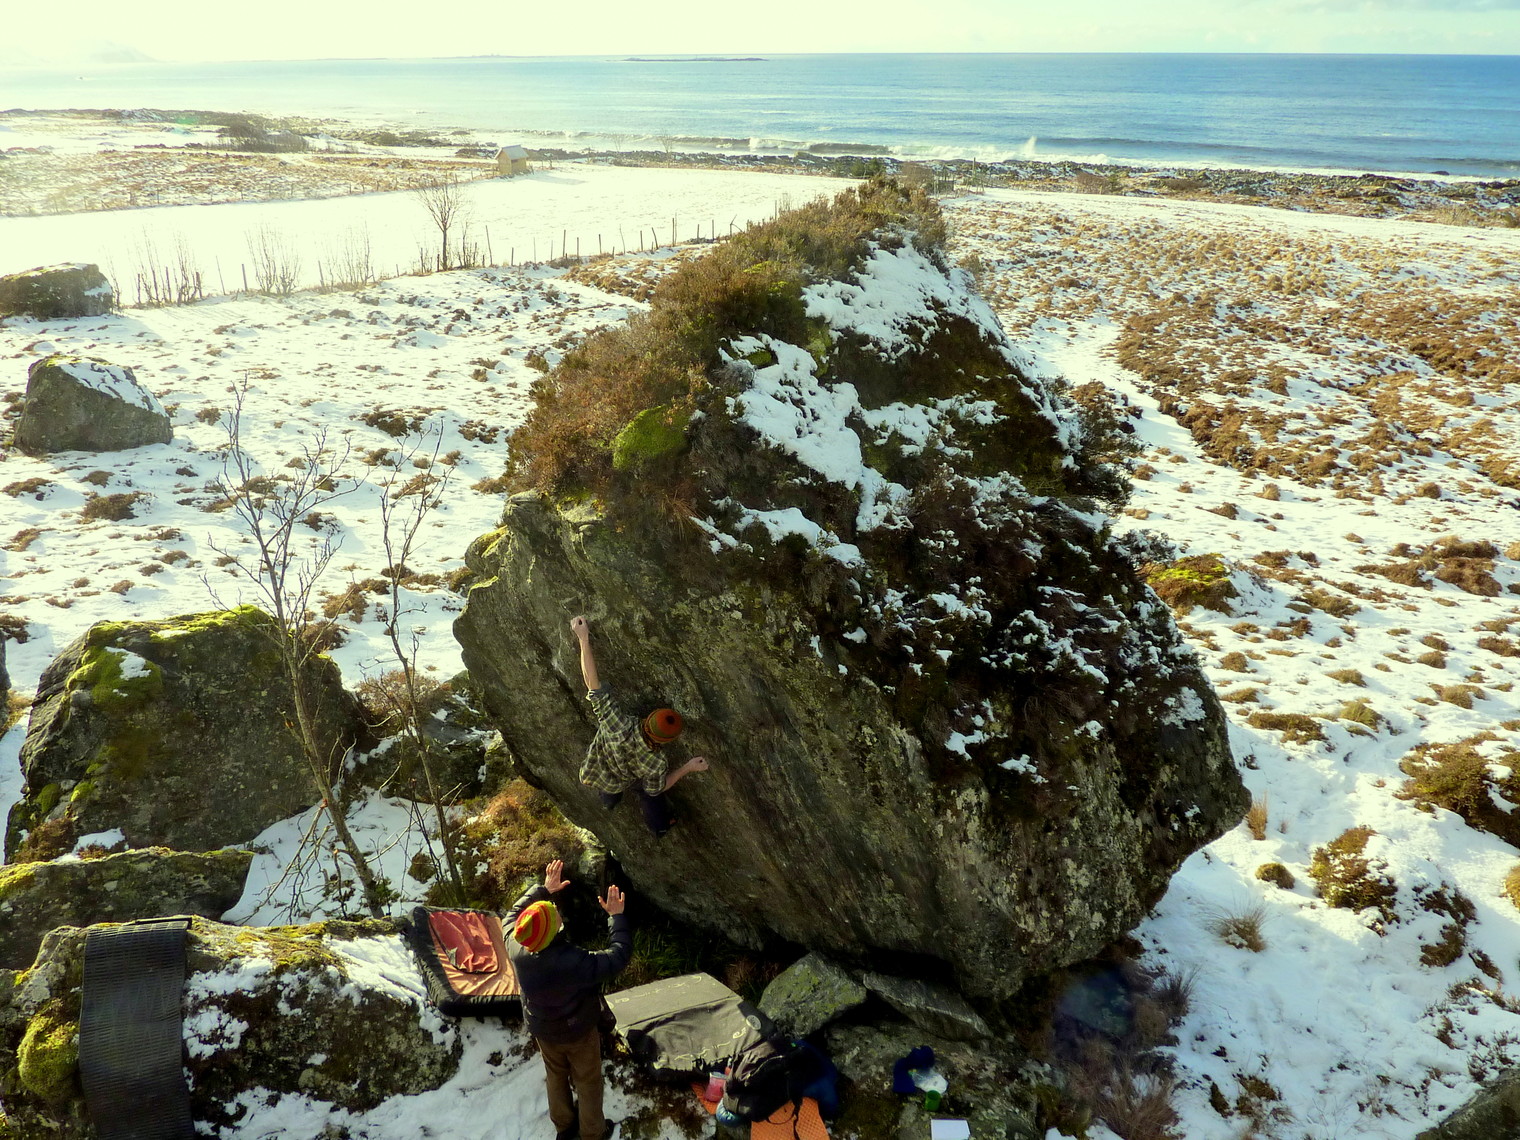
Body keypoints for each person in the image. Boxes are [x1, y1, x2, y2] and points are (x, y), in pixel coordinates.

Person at [505, 859, 631, 1140]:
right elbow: (618, 956)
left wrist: (543, 890)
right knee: (588, 1081)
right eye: (553, 913)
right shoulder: (572, 961)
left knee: (555, 1074)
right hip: (578, 1031)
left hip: (543, 1028)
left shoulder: (515, 945)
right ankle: (592, 1133)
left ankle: (564, 1127)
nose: (557, 910)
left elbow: (510, 916)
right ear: (552, 931)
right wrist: (617, 917)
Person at [570, 614, 710, 836]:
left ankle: (610, 803)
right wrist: (688, 767)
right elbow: (658, 788)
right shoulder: (656, 762)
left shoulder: (617, 724)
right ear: (667, 741)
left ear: (648, 718)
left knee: (608, 792)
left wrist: (583, 639)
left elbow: (592, 684)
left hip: (595, 772)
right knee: (647, 794)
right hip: (625, 777)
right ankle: (658, 826)